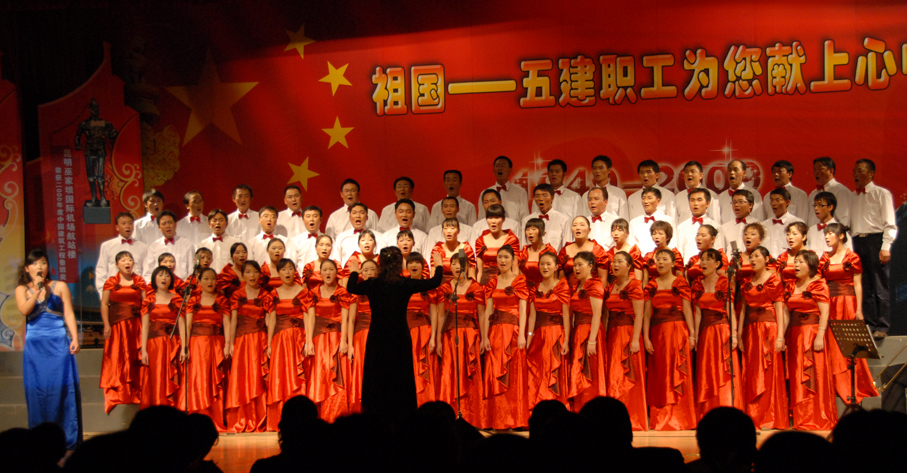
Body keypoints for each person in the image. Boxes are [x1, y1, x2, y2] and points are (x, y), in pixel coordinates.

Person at [345, 247, 444, 423]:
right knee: (400, 376)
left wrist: (354, 272)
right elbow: (434, 282)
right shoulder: (404, 284)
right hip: (399, 336)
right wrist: (438, 265)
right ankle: (402, 418)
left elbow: (351, 287)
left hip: (377, 336)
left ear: (381, 264)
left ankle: (375, 418)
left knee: (377, 376)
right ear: (400, 264)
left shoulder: (373, 284)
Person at [15, 249, 82, 448]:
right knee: (37, 392)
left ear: (48, 266)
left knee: (61, 390)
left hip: (58, 344)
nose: (40, 267)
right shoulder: (22, 290)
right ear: (27, 269)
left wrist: (75, 337)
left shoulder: (59, 286)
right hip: (35, 348)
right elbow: (24, 310)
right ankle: (39, 439)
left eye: (43, 262)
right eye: (35, 263)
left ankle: (66, 438)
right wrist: (37, 290)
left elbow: (68, 313)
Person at [822, 223, 879, 403]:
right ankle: (834, 382)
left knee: (848, 343)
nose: (826, 237)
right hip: (829, 303)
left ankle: (850, 383)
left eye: (830, 233)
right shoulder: (825, 257)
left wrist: (859, 309)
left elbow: (858, 284)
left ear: (840, 236)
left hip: (847, 303)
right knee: (831, 343)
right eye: (825, 234)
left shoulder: (851, 257)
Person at [643, 249, 696, 430]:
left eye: (664, 259)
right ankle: (662, 418)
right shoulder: (651, 285)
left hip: (678, 331)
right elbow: (647, 314)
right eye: (658, 259)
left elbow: (687, 310)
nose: (660, 262)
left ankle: (682, 418)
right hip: (658, 334)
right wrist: (646, 337)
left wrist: (692, 334)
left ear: (673, 263)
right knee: (661, 374)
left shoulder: (680, 282)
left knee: (678, 371)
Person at [736, 246, 788, 429]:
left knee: (769, 372)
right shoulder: (746, 281)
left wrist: (780, 337)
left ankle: (770, 415)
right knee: (752, 371)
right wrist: (739, 335)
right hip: (750, 331)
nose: (752, 259)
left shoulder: (774, 279)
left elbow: (779, 309)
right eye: (751, 257)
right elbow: (743, 310)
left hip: (768, 329)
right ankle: (752, 415)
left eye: (757, 256)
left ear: (766, 260)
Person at [785, 250, 836, 430]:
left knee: (814, 375)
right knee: (797, 376)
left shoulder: (819, 284)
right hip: (794, 336)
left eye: (801, 262)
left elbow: (825, 312)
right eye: (795, 261)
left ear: (811, 265)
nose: (796, 265)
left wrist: (820, 335)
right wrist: (781, 336)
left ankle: (817, 417)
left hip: (812, 333)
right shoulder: (791, 285)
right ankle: (801, 417)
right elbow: (786, 313)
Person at [434, 252, 486, 427]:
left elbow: (482, 315)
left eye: (461, 264)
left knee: (470, 375)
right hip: (450, 336)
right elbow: (441, 316)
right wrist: (438, 339)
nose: (457, 267)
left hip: (470, 336)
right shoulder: (444, 288)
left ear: (468, 267)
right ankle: (448, 416)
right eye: (454, 263)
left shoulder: (477, 287)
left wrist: (483, 338)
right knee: (450, 373)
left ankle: (472, 417)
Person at [482, 245, 530, 430]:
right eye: (499, 257)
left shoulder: (519, 281)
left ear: (513, 260)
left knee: (513, 374)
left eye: (506, 257)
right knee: (495, 373)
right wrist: (485, 336)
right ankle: (497, 419)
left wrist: (523, 334)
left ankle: (514, 419)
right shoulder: (492, 282)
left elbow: (523, 310)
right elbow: (488, 311)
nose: (502, 261)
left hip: (513, 332)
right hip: (495, 333)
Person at [691, 249, 742, 419]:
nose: (703, 263)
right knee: (707, 371)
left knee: (724, 371)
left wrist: (733, 334)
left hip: (722, 331)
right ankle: (707, 412)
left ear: (718, 264)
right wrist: (696, 337)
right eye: (702, 259)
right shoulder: (697, 284)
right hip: (706, 333)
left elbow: (730, 310)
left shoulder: (724, 282)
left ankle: (727, 411)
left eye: (708, 259)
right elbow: (698, 313)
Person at [265, 259, 314, 430]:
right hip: (280, 340)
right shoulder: (273, 294)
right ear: (278, 273)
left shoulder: (304, 292)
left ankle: (301, 418)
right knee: (280, 375)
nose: (287, 272)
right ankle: (279, 417)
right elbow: (271, 320)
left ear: (295, 271)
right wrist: (269, 344)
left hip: (298, 338)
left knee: (297, 375)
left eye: (290, 269)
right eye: (283, 269)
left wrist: (309, 340)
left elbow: (309, 317)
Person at [851, 158, 897, 338]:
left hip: (876, 241)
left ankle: (883, 326)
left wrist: (885, 246)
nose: (856, 174)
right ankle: (869, 324)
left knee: (879, 286)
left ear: (871, 174)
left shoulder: (881, 193)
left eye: (860, 170)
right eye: (854, 171)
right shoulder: (852, 196)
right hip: (858, 242)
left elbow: (890, 224)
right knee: (865, 286)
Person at [226, 261, 273, 432]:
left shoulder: (266, 295)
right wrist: (230, 343)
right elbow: (233, 321)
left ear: (260, 274)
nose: (252, 275)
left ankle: (259, 419)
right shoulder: (237, 294)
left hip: (260, 340)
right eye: (248, 272)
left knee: (257, 377)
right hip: (242, 341)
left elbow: (270, 320)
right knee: (242, 377)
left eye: (255, 272)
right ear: (243, 274)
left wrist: (270, 343)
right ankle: (242, 418)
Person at [604, 251, 648, 430]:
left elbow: (640, 314)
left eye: (620, 262)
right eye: (614, 261)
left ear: (629, 266)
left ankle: (633, 418)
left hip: (629, 333)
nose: (615, 265)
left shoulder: (634, 285)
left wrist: (636, 339)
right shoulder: (610, 286)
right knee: (613, 375)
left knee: (629, 374)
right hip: (613, 334)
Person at [99, 251, 145, 413]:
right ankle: (119, 392)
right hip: (117, 327)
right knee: (118, 356)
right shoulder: (111, 282)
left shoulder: (139, 281)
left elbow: (146, 303)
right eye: (123, 260)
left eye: (130, 259)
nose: (127, 262)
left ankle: (136, 391)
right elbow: (104, 304)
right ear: (117, 264)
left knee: (134, 357)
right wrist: (106, 325)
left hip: (136, 326)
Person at [184, 268, 230, 431]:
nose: (210, 282)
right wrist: (185, 347)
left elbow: (227, 324)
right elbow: (187, 325)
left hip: (216, 344)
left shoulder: (222, 300)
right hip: (196, 344)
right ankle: (197, 417)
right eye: (206, 278)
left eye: (213, 279)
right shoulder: (193, 300)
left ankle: (215, 418)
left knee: (214, 381)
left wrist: (228, 344)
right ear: (199, 281)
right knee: (199, 378)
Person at [307, 260, 352, 422]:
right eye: (324, 269)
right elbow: (310, 319)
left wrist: (344, 341)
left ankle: (336, 414)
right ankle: (320, 416)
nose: (328, 272)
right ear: (320, 273)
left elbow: (346, 319)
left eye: (331, 269)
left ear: (336, 272)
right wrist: (308, 341)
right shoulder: (313, 292)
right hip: (319, 340)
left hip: (336, 338)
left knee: (337, 375)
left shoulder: (342, 292)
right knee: (321, 375)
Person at [527, 252, 571, 409]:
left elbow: (566, 316)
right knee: (537, 370)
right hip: (538, 336)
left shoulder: (562, 286)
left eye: (548, 264)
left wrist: (566, 340)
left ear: (556, 267)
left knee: (553, 370)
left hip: (556, 334)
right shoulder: (534, 288)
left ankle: (556, 406)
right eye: (542, 264)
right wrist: (529, 338)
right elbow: (532, 318)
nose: (545, 267)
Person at [139, 265, 186, 410]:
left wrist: (184, 348)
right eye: (160, 275)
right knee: (157, 376)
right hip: (154, 345)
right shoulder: (149, 300)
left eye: (167, 275)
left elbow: (182, 324)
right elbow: (145, 326)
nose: (164, 278)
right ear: (154, 279)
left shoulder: (177, 299)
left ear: (171, 279)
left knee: (174, 377)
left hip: (174, 343)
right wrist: (143, 350)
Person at [567, 252, 607, 412]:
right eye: (575, 265)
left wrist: (592, 341)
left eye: (580, 265)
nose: (576, 268)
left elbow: (597, 314)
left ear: (590, 266)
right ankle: (579, 407)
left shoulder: (594, 285)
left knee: (591, 369)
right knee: (579, 370)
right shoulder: (577, 286)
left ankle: (594, 410)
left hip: (591, 331)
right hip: (579, 331)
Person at [403, 253, 441, 406]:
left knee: (425, 367)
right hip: (406, 332)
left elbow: (434, 313)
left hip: (424, 332)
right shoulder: (403, 286)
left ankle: (426, 402)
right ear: (406, 266)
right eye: (411, 263)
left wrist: (433, 337)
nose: (414, 265)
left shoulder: (429, 286)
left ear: (423, 266)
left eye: (417, 262)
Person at [347, 259, 377, 413]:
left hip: (377, 334)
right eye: (365, 270)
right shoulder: (356, 294)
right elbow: (351, 320)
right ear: (361, 274)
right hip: (360, 337)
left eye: (372, 269)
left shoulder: (381, 290)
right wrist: (350, 344)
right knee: (362, 369)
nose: (369, 273)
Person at [95, 212, 147, 294]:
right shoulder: (107, 246)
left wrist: (144, 293)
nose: (127, 226)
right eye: (123, 223)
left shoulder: (143, 247)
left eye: (130, 223)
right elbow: (101, 271)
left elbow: (147, 271)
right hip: (114, 292)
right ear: (117, 227)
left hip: (136, 293)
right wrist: (103, 294)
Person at [474, 204, 522, 285]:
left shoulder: (511, 240)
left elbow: (515, 269)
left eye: (497, 218)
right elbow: (479, 271)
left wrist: (513, 286)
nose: (493, 221)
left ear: (503, 219)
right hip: (485, 284)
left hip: (506, 283)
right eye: (490, 218)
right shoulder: (480, 241)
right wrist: (478, 288)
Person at [675, 188, 724, 264]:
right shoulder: (681, 227)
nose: (695, 203)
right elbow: (679, 253)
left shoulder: (716, 227)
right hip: (688, 268)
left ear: (707, 203)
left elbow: (719, 252)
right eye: (692, 200)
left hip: (709, 268)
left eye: (699, 200)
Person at [559, 216, 609, 290]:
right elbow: (561, 279)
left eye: (582, 225)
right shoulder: (564, 250)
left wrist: (598, 294)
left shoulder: (597, 249)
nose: (578, 228)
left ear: (589, 230)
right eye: (575, 225)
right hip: (568, 293)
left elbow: (603, 278)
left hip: (592, 292)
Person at [142, 210, 195, 281]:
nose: (167, 226)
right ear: (159, 227)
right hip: (159, 286)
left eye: (170, 222)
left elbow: (192, 271)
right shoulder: (153, 247)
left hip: (181, 286)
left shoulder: (187, 244)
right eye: (164, 224)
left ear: (175, 224)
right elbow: (147, 273)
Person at [478, 155, 529, 224]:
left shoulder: (520, 192)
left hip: (513, 229)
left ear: (510, 170)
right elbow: (482, 217)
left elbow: (525, 217)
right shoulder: (485, 193)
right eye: (497, 166)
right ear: (493, 170)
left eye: (503, 165)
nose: (500, 168)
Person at [577, 155, 629, 220]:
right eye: (594, 168)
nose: (597, 171)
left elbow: (624, 219)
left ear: (609, 170)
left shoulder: (619, 193)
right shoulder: (586, 195)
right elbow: (583, 219)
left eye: (601, 168)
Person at [523, 184, 571, 251]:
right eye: (537, 196)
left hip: (555, 257)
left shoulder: (564, 220)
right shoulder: (527, 220)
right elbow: (523, 245)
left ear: (552, 198)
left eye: (545, 195)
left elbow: (567, 247)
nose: (541, 199)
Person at [629, 187, 675, 256]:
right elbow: (632, 245)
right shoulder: (634, 222)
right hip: (640, 260)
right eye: (643, 198)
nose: (646, 201)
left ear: (658, 201)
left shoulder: (668, 220)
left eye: (649, 198)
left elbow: (673, 243)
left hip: (662, 258)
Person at [807, 156, 851, 228]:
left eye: (820, 169)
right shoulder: (813, 193)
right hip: (814, 233)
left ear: (831, 171)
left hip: (831, 232)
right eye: (814, 169)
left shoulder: (841, 191)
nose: (816, 172)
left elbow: (844, 219)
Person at [762, 187, 805, 257]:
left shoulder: (797, 222)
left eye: (778, 200)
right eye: (772, 200)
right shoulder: (764, 225)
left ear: (787, 202)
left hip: (788, 261)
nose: (773, 203)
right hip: (768, 262)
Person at [675, 161, 720, 226]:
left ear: (701, 175)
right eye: (686, 172)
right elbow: (675, 220)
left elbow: (715, 220)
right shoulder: (679, 196)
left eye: (693, 171)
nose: (689, 174)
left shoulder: (711, 195)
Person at [431, 218, 477, 282]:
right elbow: (434, 275)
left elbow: (471, 275)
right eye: (445, 228)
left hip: (461, 285)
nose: (448, 231)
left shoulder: (464, 249)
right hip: (442, 285)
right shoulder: (438, 249)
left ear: (458, 231)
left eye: (452, 228)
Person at [641, 221, 684, 286]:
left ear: (668, 237)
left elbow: (680, 277)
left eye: (660, 234)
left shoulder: (675, 254)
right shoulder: (648, 256)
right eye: (654, 234)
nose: (656, 237)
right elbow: (645, 280)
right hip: (651, 288)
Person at [518, 218, 557, 288]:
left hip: (544, 289)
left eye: (534, 229)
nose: (530, 232)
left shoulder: (549, 250)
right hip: (524, 289)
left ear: (543, 232)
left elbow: (555, 275)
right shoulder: (523, 252)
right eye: (528, 229)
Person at [198, 209, 240, 273]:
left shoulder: (235, 243)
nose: (217, 223)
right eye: (214, 220)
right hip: (209, 277)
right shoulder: (202, 244)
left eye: (221, 220)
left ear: (227, 224)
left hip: (229, 278)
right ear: (209, 224)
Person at [720, 189, 760, 255]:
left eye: (741, 202)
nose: (736, 205)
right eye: (734, 202)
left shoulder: (759, 226)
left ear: (750, 205)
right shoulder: (724, 227)